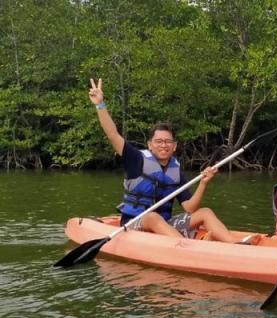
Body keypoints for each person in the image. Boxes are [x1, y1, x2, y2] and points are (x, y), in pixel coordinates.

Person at [88, 78, 259, 243]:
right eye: (159, 141)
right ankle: (188, 247)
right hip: (135, 224)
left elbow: (189, 208)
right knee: (153, 217)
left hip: (165, 226)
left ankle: (234, 244)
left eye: (168, 141)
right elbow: (112, 134)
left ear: (175, 146)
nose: (164, 145)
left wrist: (203, 183)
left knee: (205, 212)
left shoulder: (175, 171)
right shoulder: (136, 159)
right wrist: (100, 104)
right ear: (150, 144)